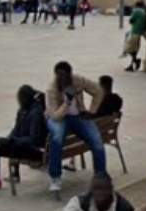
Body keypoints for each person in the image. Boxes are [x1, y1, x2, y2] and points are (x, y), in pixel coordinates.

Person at [44, 61, 109, 195]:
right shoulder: (51, 89)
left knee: (96, 140)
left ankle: (101, 176)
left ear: (70, 74)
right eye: (60, 76)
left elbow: (98, 90)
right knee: (57, 138)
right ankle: (55, 177)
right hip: (59, 118)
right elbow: (55, 116)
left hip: (78, 116)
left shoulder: (78, 80)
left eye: (66, 76)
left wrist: (92, 111)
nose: (63, 79)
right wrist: (67, 102)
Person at [0, 85, 49, 176]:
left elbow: (34, 140)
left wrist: (14, 141)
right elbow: (16, 129)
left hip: (34, 150)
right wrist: (8, 140)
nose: (19, 101)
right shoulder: (22, 110)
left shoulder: (36, 113)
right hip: (22, 145)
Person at [124, 0, 146, 72]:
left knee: (128, 49)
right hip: (141, 31)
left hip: (135, 31)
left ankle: (135, 61)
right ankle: (132, 64)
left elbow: (131, 20)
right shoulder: (144, 11)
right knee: (135, 49)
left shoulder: (136, 11)